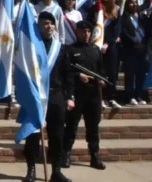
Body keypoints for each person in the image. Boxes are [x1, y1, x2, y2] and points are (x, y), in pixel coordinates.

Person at [23, 11, 73, 182]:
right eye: (45, 23)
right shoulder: (31, 47)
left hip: (56, 96)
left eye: (52, 23)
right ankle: (31, 170)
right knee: (33, 135)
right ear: (38, 26)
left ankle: (56, 170)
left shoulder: (60, 48)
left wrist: (69, 96)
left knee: (57, 134)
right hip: (36, 96)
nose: (49, 26)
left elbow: (68, 74)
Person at [63, 20, 106, 171]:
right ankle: (66, 154)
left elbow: (101, 71)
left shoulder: (95, 49)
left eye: (88, 31)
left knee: (93, 127)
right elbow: (66, 71)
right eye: (83, 31)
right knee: (71, 126)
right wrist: (78, 75)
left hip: (93, 95)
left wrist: (101, 79)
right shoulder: (70, 49)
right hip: (77, 94)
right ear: (77, 32)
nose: (86, 34)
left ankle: (95, 156)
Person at [120, 0, 151, 105]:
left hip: (143, 50)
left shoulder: (143, 17)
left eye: (136, 3)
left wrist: (143, 44)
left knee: (141, 74)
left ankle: (139, 95)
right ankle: (129, 96)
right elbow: (124, 33)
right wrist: (135, 43)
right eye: (131, 3)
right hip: (130, 49)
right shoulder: (123, 18)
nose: (134, 5)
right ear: (127, 5)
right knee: (130, 74)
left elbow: (149, 32)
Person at [95, 0, 122, 108]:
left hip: (111, 46)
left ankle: (111, 97)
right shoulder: (96, 8)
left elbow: (116, 30)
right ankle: (101, 97)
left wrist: (107, 43)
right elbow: (93, 25)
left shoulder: (117, 9)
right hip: (97, 44)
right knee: (99, 72)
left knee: (112, 72)